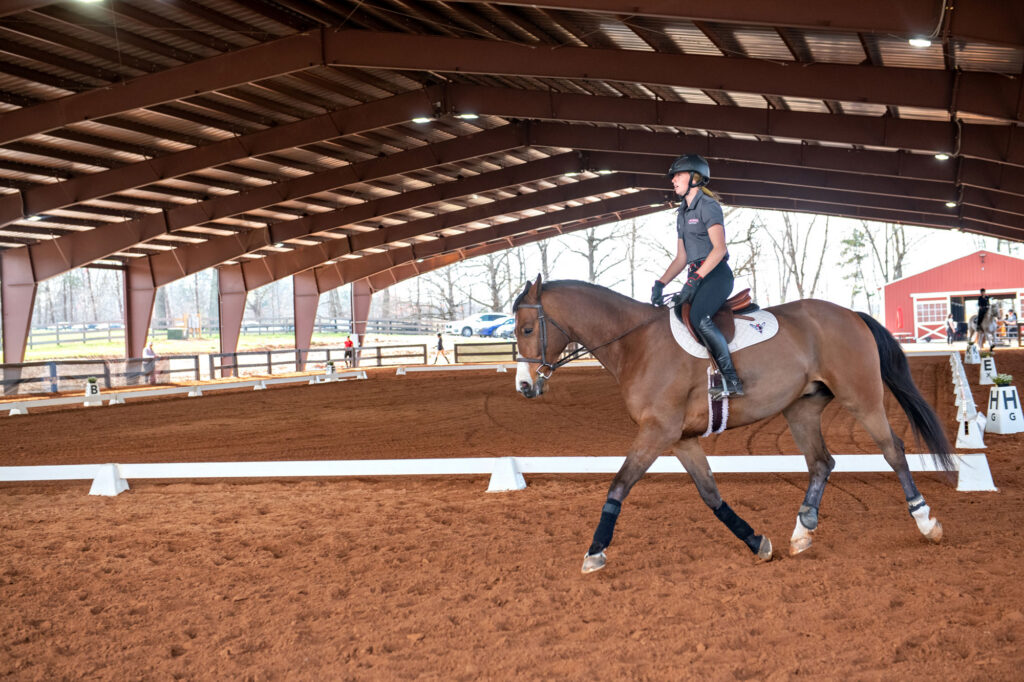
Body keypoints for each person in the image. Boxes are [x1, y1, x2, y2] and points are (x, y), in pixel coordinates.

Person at [651, 154, 742, 400]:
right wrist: (661, 283)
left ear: (694, 177)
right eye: (673, 176)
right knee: (675, 314)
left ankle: (731, 379)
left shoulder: (707, 206)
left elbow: (719, 249)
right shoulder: (682, 212)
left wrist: (695, 279)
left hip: (716, 274)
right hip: (697, 275)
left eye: (677, 175)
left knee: (699, 317)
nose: (673, 180)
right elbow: (682, 258)